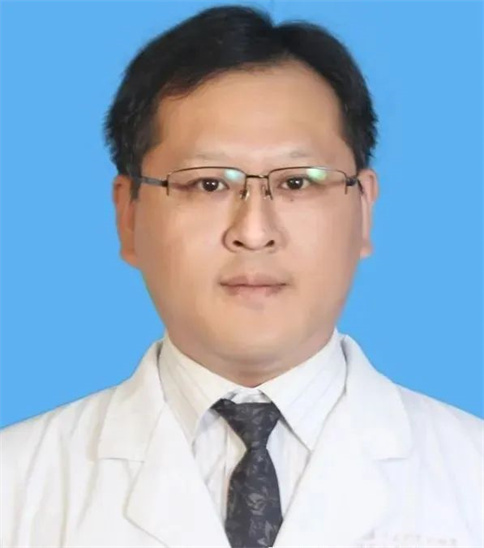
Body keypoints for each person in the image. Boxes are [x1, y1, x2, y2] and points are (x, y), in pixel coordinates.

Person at [1, 5, 482, 548]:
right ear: (129, 216)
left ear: (364, 209)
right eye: (208, 184)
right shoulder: (13, 485)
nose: (254, 232)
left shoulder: (473, 476)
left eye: (298, 182)